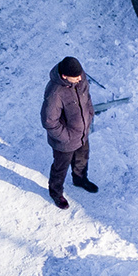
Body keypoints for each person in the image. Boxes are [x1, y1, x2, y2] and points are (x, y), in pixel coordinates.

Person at [40, 56, 96, 210]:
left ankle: (79, 179)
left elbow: (87, 98)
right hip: (64, 141)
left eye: (80, 74)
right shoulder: (55, 93)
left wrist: (90, 114)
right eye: (75, 76)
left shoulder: (80, 79)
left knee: (82, 158)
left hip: (82, 133)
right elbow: (49, 121)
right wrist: (66, 138)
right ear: (64, 76)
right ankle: (56, 192)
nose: (80, 78)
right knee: (60, 168)